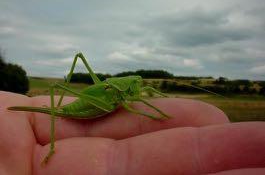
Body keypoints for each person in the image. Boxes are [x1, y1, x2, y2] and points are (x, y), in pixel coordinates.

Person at [0, 91, 264, 175]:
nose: (138, 86)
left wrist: (159, 103)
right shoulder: (124, 96)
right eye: (135, 84)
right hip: (94, 106)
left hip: (101, 102)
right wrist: (153, 114)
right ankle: (55, 144)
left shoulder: (132, 90)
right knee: (61, 113)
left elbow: (144, 97)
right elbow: (137, 106)